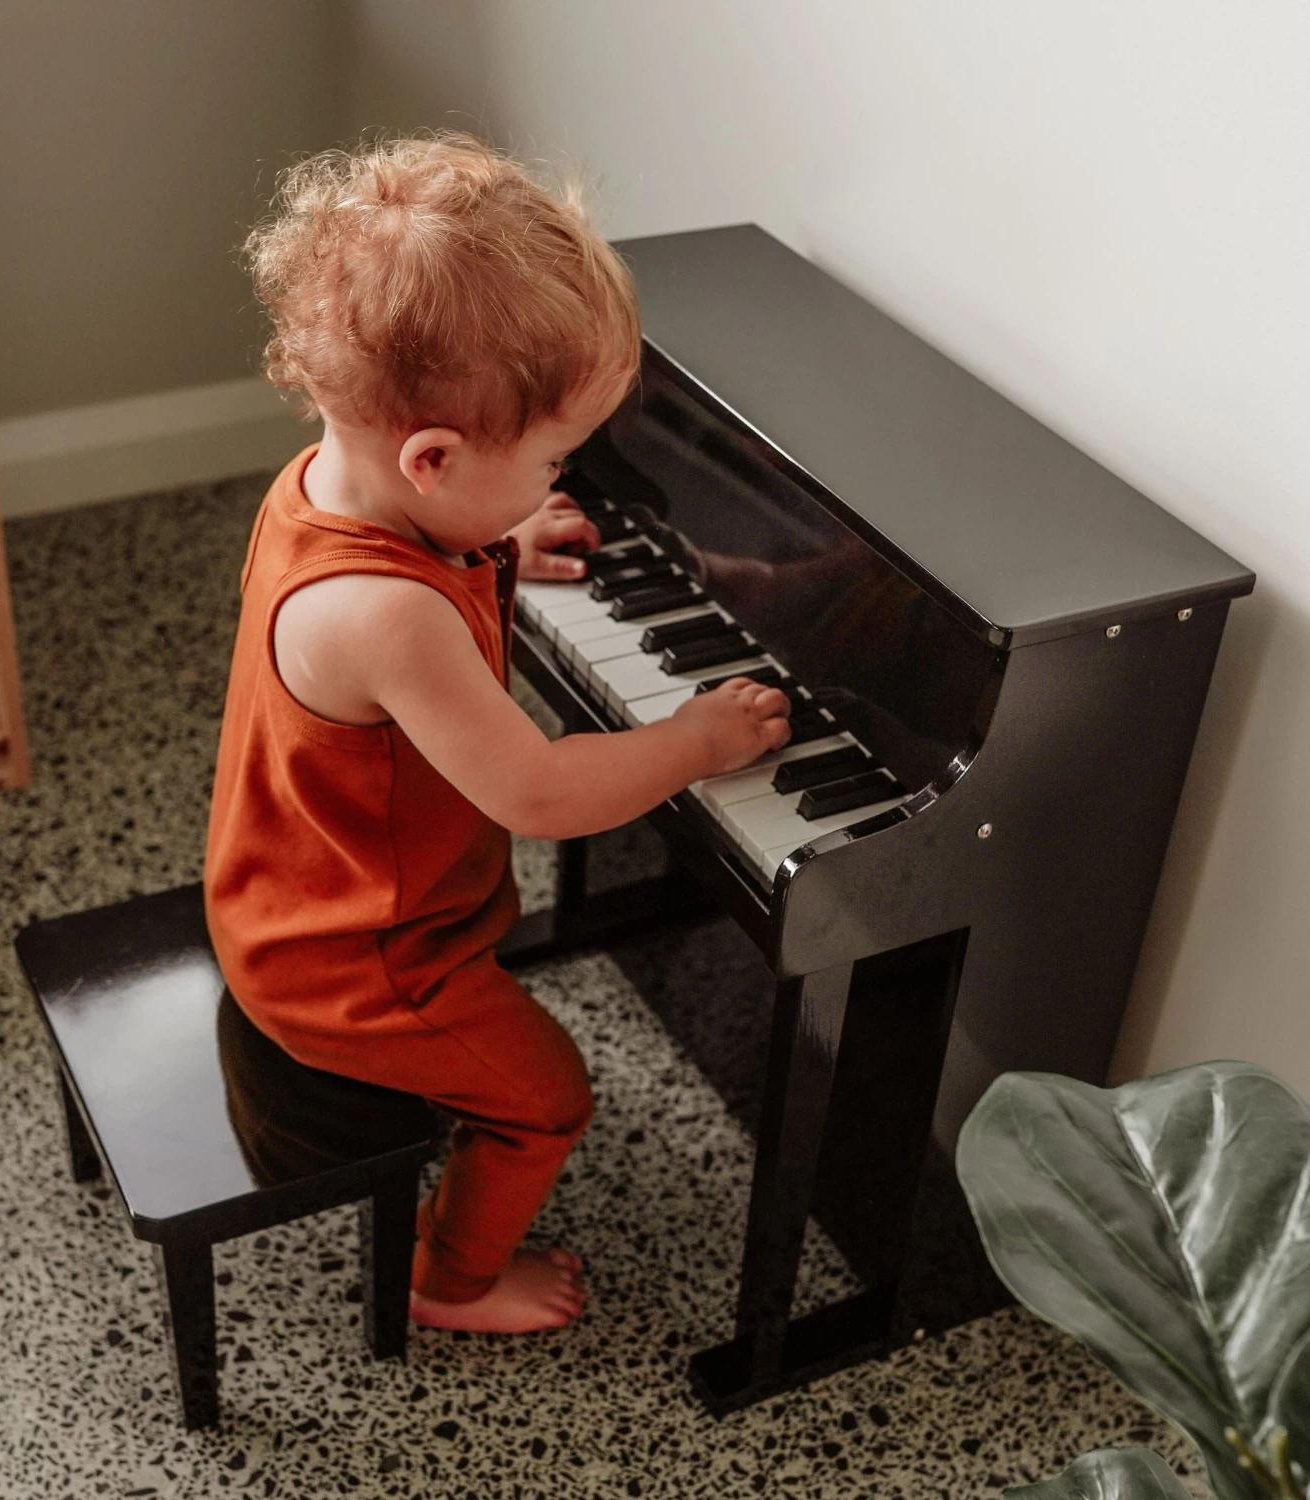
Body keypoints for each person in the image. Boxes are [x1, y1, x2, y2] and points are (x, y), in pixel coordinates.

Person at [204, 135, 791, 1334]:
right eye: (553, 458)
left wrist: (500, 542)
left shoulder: (335, 489)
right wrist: (696, 740)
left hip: (285, 894)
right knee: (549, 1096)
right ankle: (446, 1281)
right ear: (432, 460)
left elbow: (427, 557)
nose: (560, 476)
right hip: (357, 965)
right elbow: (539, 793)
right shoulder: (387, 615)